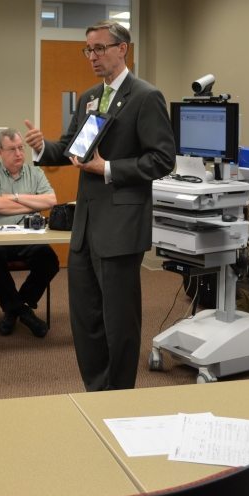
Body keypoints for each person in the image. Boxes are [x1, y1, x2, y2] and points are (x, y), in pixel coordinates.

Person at [24, 20, 175, 391]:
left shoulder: (145, 96)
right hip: (85, 226)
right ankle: (97, 389)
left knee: (119, 320)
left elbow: (162, 159)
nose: (92, 56)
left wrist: (107, 168)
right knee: (86, 317)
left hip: (121, 227)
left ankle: (120, 394)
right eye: (88, 50)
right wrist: (43, 147)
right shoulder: (91, 96)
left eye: (100, 49)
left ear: (123, 49)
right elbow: (72, 148)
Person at [0, 128, 59, 338]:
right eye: (12, 149)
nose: (19, 153)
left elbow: (51, 201)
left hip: (28, 235)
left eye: (21, 148)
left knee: (49, 259)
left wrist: (12, 197)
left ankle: (14, 309)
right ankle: (23, 312)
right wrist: (30, 203)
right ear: (0, 152)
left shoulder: (36, 172)